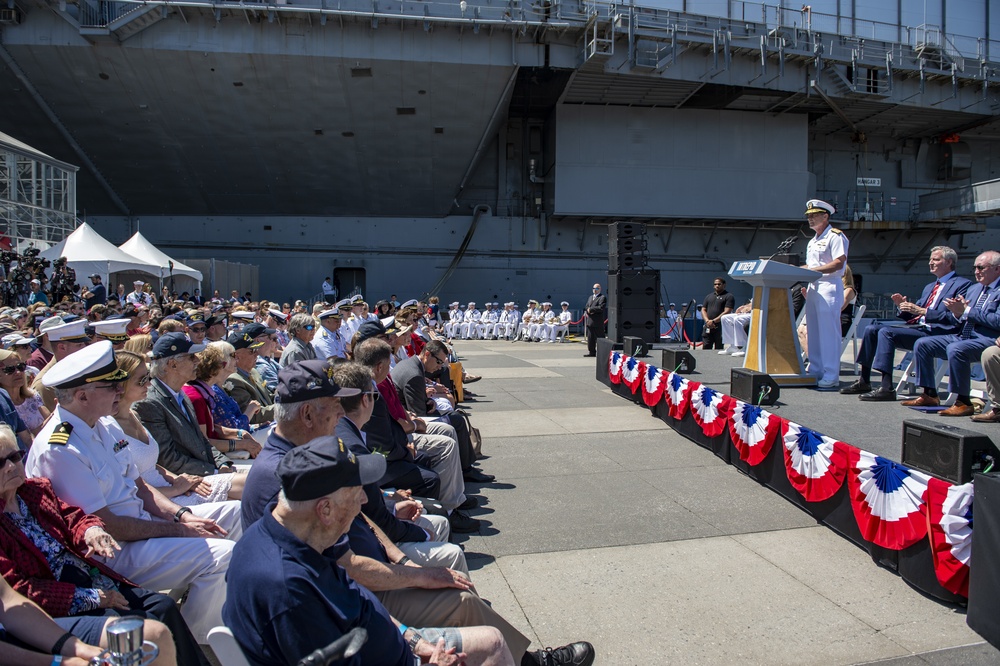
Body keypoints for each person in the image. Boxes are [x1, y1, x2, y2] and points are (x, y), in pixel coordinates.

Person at [226, 436, 595, 666]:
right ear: (325, 509)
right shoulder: (288, 590)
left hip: (395, 644)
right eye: (358, 494)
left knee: (490, 638)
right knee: (491, 645)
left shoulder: (290, 533)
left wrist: (413, 640)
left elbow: (357, 601)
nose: (363, 504)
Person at [25, 340, 242, 643]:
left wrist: (179, 515)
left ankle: (213, 614)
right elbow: (105, 525)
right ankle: (192, 642)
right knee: (223, 555)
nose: (119, 390)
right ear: (82, 395)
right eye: (110, 385)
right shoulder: (60, 449)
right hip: (111, 553)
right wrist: (177, 531)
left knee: (236, 513)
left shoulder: (104, 425)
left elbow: (140, 487)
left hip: (142, 528)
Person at [0, 424, 196, 665]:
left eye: (13, 456)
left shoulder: (33, 491)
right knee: (138, 624)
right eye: (0, 463)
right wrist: (91, 597)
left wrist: (90, 529)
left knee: (163, 605)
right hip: (57, 603)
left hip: (90, 577)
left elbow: (72, 516)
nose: (10, 466)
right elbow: (19, 589)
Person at [841, 246, 971, 401]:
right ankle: (864, 380)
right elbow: (914, 316)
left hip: (940, 332)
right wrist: (903, 307)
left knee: (886, 332)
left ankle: (886, 387)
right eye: (930, 259)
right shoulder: (930, 287)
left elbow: (955, 317)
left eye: (936, 259)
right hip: (921, 328)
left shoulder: (962, 285)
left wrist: (923, 311)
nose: (931, 263)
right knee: (871, 329)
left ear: (949, 262)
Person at [113, 350, 237, 505]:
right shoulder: (111, 426)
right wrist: (178, 488)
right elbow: (132, 486)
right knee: (240, 502)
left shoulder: (134, 415)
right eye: (141, 380)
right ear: (121, 385)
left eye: (148, 377)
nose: (148, 383)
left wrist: (181, 480)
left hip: (173, 486)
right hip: (156, 500)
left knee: (250, 488)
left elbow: (153, 465)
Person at [132, 332, 246, 486]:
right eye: (191, 357)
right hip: (184, 482)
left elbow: (202, 442)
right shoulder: (149, 403)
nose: (197, 361)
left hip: (205, 471)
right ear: (173, 364)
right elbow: (168, 459)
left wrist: (223, 463)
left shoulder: (181, 394)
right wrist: (215, 471)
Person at [902, 250, 1000, 416]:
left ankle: (963, 401)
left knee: (957, 349)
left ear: (997, 269)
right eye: (975, 267)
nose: (976, 271)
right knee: (923, 344)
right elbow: (959, 319)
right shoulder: (975, 289)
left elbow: (997, 321)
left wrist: (967, 311)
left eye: (981, 267)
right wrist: (956, 312)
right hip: (964, 335)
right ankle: (929, 394)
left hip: (988, 339)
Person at [184, 341, 262, 460]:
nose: (236, 360)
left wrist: (238, 433)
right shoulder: (196, 396)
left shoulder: (205, 393)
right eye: (232, 356)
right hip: (213, 459)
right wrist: (242, 443)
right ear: (219, 366)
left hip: (221, 451)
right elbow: (203, 442)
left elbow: (213, 427)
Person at [802, 199, 849, 389]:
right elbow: (811, 266)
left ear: (825, 216)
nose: (810, 219)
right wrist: (795, 269)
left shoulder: (836, 236)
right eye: (808, 216)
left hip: (829, 286)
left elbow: (839, 263)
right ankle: (815, 369)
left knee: (829, 332)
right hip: (814, 286)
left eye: (814, 215)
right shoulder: (813, 241)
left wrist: (812, 271)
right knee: (813, 331)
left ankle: (831, 373)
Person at [0, 349, 48, 437]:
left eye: (20, 366)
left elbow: (50, 420)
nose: (18, 372)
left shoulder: (33, 396)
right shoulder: (3, 409)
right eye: (10, 369)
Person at [700, 277, 735, 351]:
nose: (717, 286)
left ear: (724, 285)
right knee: (706, 346)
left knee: (719, 347)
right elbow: (703, 309)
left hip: (720, 326)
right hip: (708, 325)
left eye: (719, 284)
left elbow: (727, 311)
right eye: (715, 284)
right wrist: (707, 321)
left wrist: (714, 321)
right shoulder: (709, 296)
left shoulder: (728, 296)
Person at [583, 284, 606, 357]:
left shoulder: (602, 297)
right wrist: (588, 310)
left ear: (600, 289)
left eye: (596, 288)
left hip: (597, 322)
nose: (594, 290)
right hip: (590, 321)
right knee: (590, 339)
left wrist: (591, 309)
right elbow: (586, 306)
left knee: (600, 338)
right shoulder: (590, 297)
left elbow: (601, 307)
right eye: (593, 288)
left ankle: (603, 353)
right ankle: (592, 352)